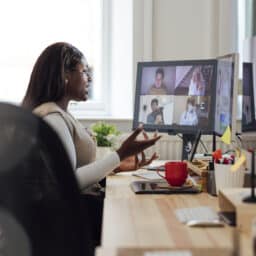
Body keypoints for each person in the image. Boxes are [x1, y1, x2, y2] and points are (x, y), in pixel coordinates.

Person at [21, 42, 161, 191]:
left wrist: (117, 165)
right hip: (79, 211)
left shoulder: (60, 114)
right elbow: (68, 182)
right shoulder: (54, 119)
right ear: (65, 75)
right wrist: (120, 154)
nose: (90, 79)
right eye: (85, 72)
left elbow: (76, 171)